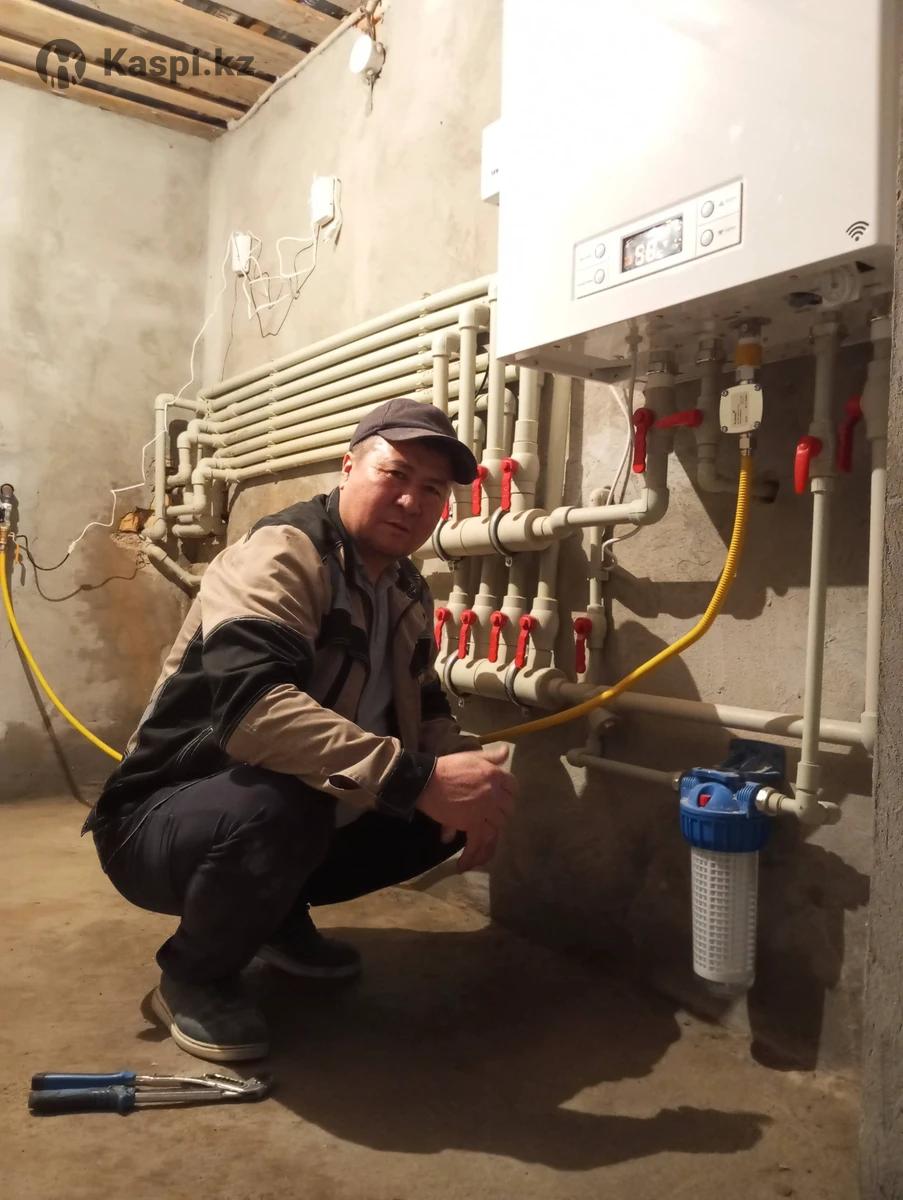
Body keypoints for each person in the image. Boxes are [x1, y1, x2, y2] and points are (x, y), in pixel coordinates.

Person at [84, 397, 517, 1063]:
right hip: (160, 818)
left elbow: (427, 704)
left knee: (450, 796)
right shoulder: (282, 555)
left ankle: (273, 917)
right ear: (348, 467)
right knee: (289, 802)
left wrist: (467, 780)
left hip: (285, 803)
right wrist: (415, 778)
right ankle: (196, 972)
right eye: (395, 474)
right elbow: (252, 713)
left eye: (432, 489)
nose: (411, 501)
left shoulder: (405, 587)